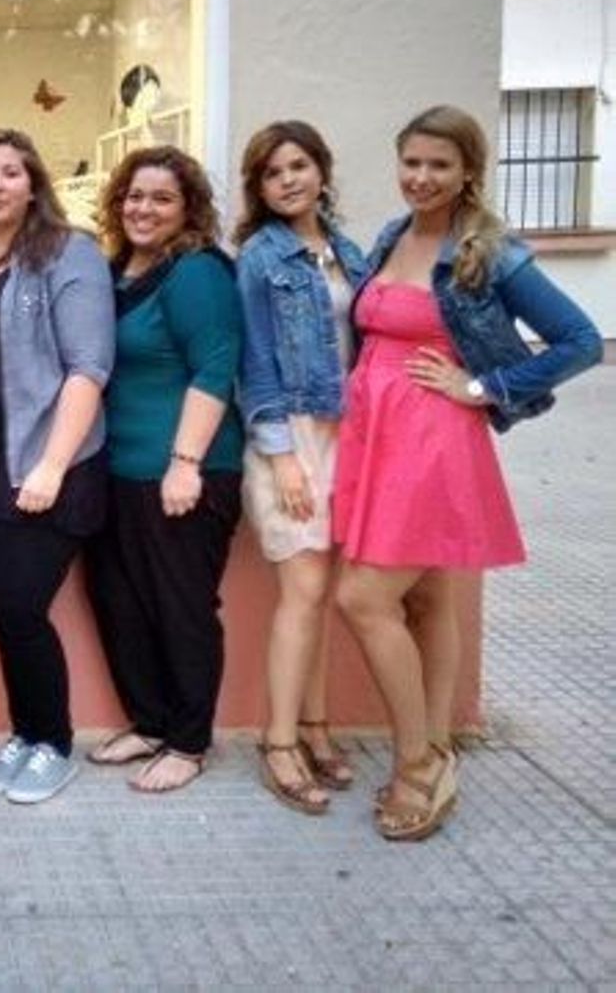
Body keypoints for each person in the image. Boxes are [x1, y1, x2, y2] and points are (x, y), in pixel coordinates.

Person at [332, 105, 600, 841]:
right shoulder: (394, 234)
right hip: (378, 433)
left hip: (433, 440)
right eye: (411, 161)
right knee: (426, 599)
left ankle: (418, 763)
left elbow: (579, 340)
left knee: (361, 596)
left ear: (469, 171)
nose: (421, 177)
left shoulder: (490, 251)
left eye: (439, 165)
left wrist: (483, 389)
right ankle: (440, 744)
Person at [0, 129, 114, 805]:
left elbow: (87, 367)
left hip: (38, 470)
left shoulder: (70, 255)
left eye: (11, 172)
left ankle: (55, 743)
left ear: (34, 185)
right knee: (3, 612)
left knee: (18, 607)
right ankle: (24, 730)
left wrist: (51, 465)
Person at [84, 145, 244, 794]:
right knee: (120, 602)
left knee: (182, 608)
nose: (143, 208)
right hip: (118, 469)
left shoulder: (197, 272)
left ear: (188, 209)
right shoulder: (119, 270)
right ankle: (149, 722)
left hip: (181, 471)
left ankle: (189, 740)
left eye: (161, 198)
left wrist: (186, 463)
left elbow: (215, 366)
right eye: (134, 195)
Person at [234, 122, 371, 814]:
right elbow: (253, 361)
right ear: (258, 188)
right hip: (289, 436)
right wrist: (282, 455)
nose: (287, 179)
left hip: (349, 432)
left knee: (324, 589)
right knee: (304, 587)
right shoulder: (259, 257)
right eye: (271, 172)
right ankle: (279, 741)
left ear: (321, 168)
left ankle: (315, 724)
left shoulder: (349, 251)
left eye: (298, 165)